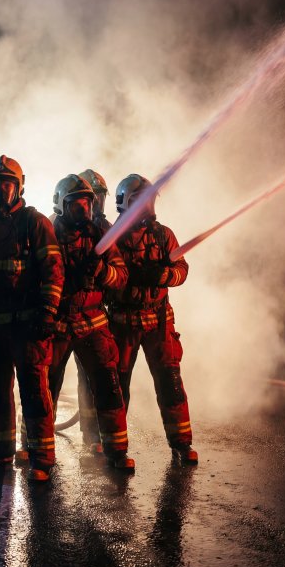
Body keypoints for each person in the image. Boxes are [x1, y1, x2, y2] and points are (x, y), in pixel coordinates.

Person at [0, 155, 64, 482]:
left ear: (19, 186)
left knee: (35, 394)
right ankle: (0, 454)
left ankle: (42, 459)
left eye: (7, 185)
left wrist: (48, 312)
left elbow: (54, 272)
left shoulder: (35, 223)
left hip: (29, 327)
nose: (2, 192)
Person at [109, 174, 198, 464]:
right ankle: (116, 449)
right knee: (117, 386)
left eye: (149, 200)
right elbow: (104, 275)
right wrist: (125, 277)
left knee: (170, 382)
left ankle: (182, 445)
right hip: (123, 322)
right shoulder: (112, 237)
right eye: (139, 201)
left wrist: (164, 275)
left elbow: (182, 269)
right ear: (124, 203)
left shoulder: (164, 235)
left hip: (159, 321)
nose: (146, 206)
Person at [50, 174, 134, 470]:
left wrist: (101, 271)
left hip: (94, 322)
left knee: (109, 388)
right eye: (77, 204)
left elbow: (121, 276)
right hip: (58, 324)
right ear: (62, 205)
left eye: (90, 202)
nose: (85, 209)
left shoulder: (102, 231)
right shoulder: (47, 231)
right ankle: (40, 451)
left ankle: (116, 450)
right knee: (45, 388)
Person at [75, 169, 111, 450]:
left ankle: (98, 436)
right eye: (89, 199)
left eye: (97, 199)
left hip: (98, 316)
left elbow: (120, 274)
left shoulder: (108, 230)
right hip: (66, 316)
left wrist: (102, 272)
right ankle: (35, 441)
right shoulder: (55, 227)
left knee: (99, 379)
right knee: (50, 379)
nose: (93, 206)